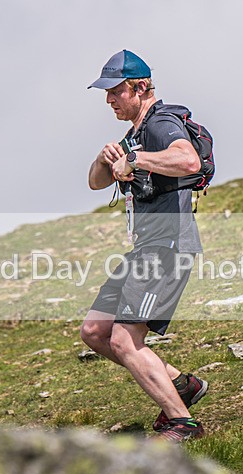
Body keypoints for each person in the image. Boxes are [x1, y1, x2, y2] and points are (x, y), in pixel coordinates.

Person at [80, 50, 208, 442]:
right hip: (144, 250)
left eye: (115, 91)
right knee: (95, 331)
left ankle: (182, 423)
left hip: (166, 247)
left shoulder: (161, 122)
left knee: (124, 339)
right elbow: (96, 183)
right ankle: (182, 385)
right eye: (106, 93)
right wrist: (106, 159)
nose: (109, 100)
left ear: (140, 87)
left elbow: (189, 162)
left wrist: (134, 160)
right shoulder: (135, 134)